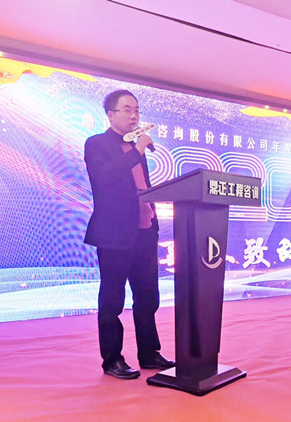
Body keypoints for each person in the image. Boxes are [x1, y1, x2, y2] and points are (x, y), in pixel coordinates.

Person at [84, 89, 175, 380]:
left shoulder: (136, 148)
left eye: (137, 110)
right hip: (114, 234)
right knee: (112, 300)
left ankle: (149, 353)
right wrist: (137, 151)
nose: (134, 116)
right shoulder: (96, 144)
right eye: (127, 110)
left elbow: (141, 185)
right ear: (111, 115)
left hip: (145, 232)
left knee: (148, 297)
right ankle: (112, 360)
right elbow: (105, 178)